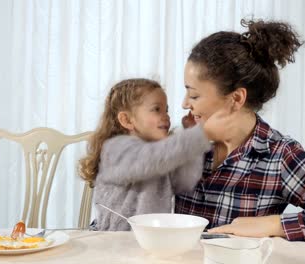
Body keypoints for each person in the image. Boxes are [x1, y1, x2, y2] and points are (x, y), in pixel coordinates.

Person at [175, 19, 305, 244]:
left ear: (236, 98)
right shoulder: (184, 142)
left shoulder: (280, 155)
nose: (185, 103)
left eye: (194, 95)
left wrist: (275, 224)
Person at [79, 78, 212, 231]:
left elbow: (185, 181)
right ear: (127, 120)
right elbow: (149, 160)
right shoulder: (115, 149)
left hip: (148, 238)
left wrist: (190, 134)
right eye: (156, 109)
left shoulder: (161, 154)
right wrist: (200, 134)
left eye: (166, 110)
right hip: (112, 237)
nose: (166, 116)